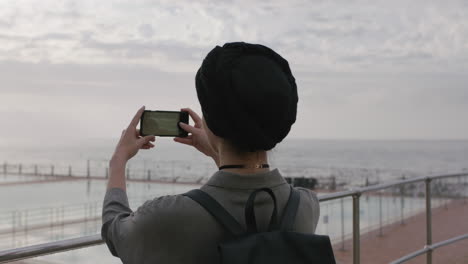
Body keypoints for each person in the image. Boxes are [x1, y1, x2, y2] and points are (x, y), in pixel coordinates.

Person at [101, 42, 320, 263]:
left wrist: (118, 160)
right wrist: (218, 151)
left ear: (212, 123)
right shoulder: (305, 206)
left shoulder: (166, 217)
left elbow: (114, 231)